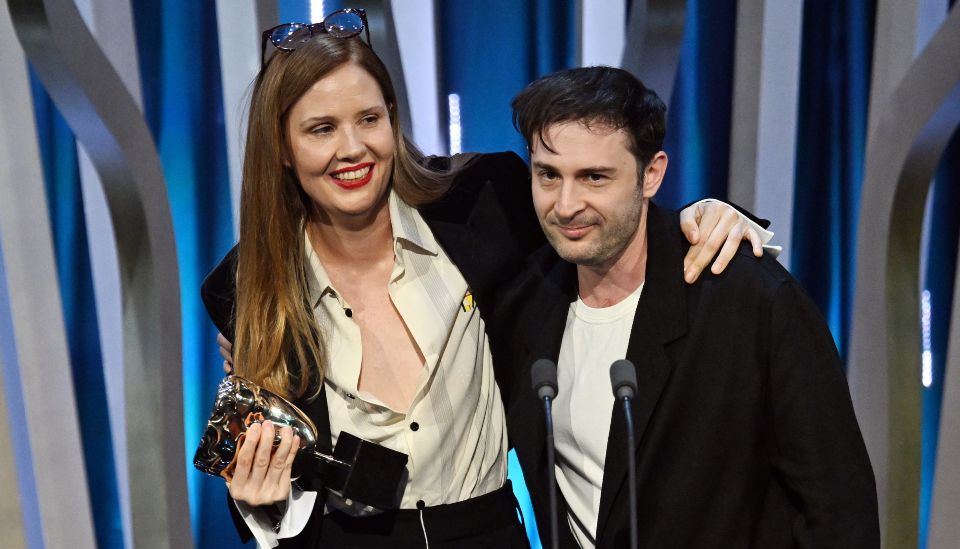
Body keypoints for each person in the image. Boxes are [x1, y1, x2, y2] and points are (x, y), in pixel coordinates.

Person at [201, 9, 769, 549]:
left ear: (393, 121)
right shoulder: (244, 285)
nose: (353, 148)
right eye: (321, 129)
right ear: (281, 147)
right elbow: (268, 462)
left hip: (488, 530)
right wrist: (262, 504)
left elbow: (593, 222)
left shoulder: (483, 200)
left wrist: (697, 216)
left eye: (369, 119)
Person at [502, 66, 880, 548]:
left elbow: (839, 509)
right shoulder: (524, 301)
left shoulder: (749, 301)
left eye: (595, 177)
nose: (566, 204)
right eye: (548, 176)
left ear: (652, 174)